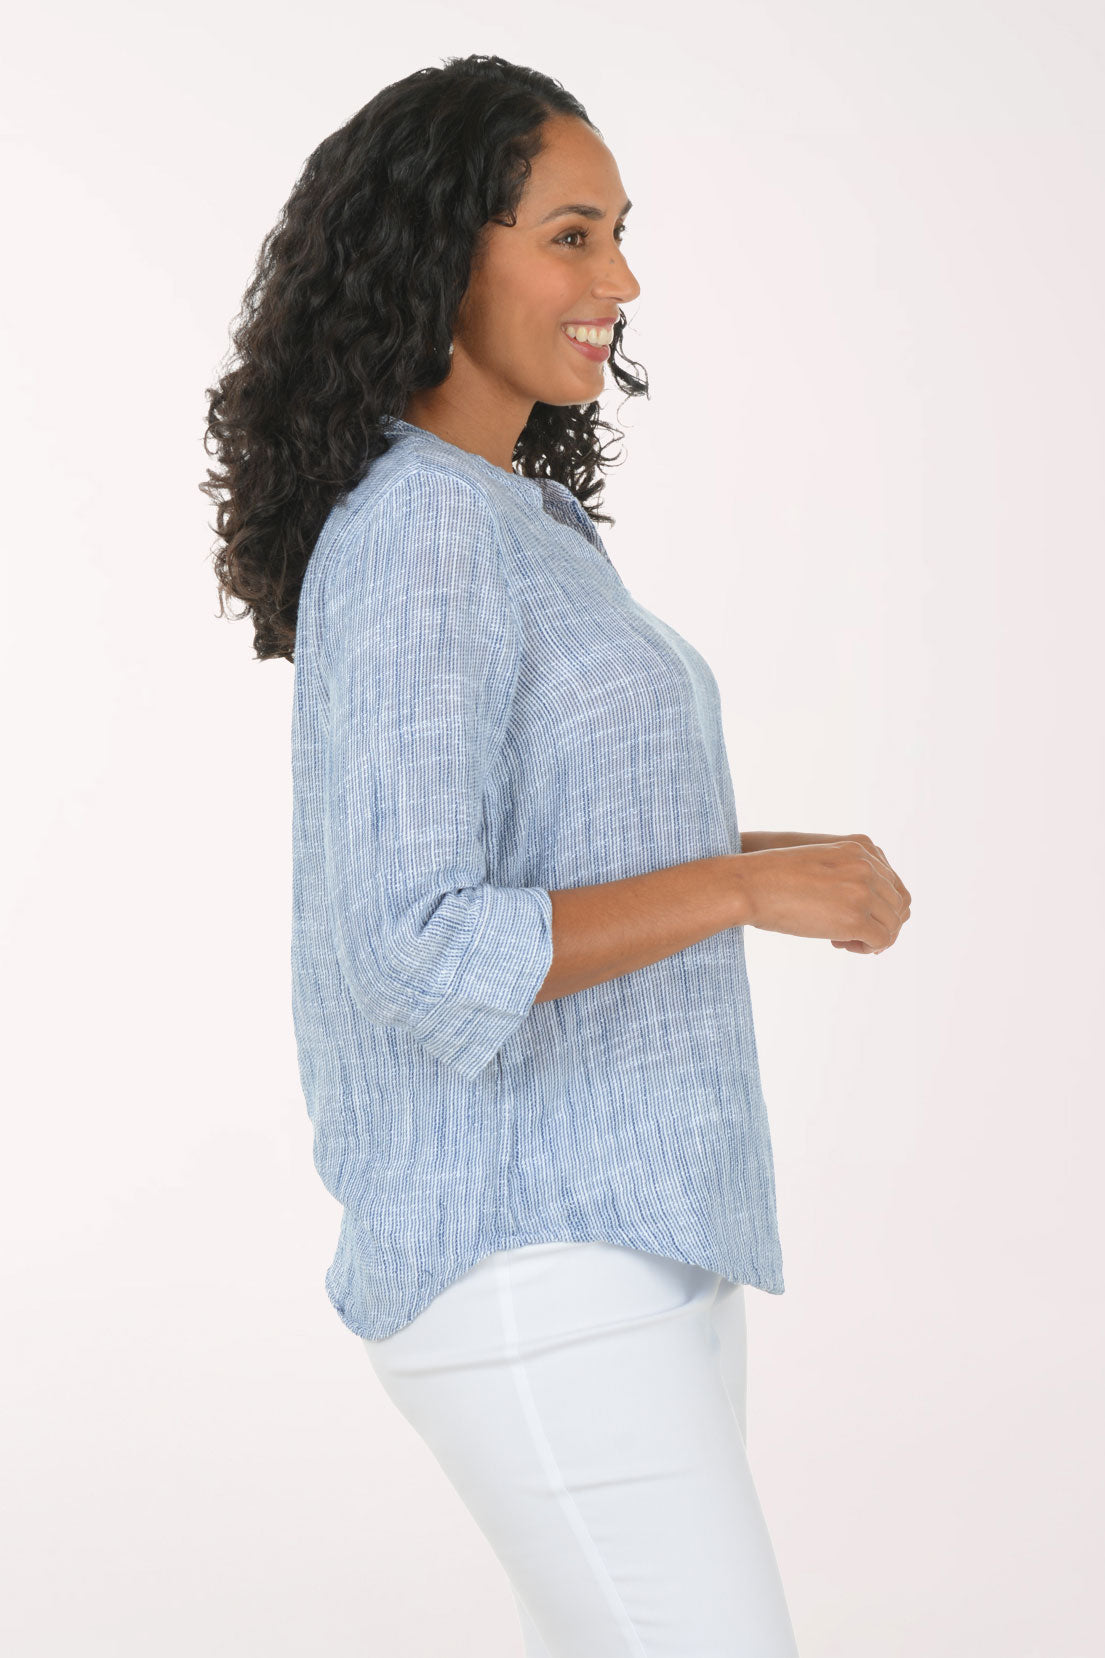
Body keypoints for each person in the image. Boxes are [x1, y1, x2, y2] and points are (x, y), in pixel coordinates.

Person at [202, 52, 911, 1657]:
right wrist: (738, 887)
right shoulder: (415, 536)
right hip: (528, 1258)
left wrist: (769, 859)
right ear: (442, 251)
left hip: (633, 1245)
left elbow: (546, 846)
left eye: (619, 235)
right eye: (573, 235)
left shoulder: (515, 515)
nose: (621, 279)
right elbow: (418, 937)